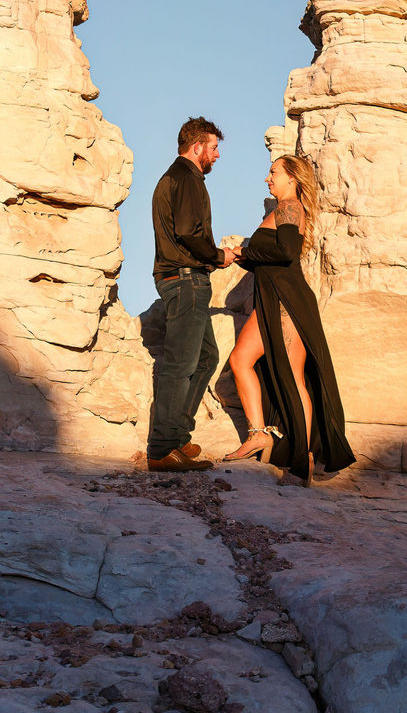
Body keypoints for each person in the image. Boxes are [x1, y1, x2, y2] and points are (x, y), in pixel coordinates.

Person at [220, 154, 355, 481]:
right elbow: (268, 258)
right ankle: (259, 434)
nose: (268, 178)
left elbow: (286, 253)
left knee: (293, 377)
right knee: (240, 360)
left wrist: (241, 252)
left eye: (273, 173)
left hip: (287, 301)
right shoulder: (280, 211)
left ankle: (302, 457)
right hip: (269, 299)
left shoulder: (291, 207)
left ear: (292, 178)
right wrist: (235, 258)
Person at [142, 117, 237, 473]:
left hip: (183, 278)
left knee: (205, 358)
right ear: (197, 147)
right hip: (185, 280)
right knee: (180, 365)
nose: (217, 155)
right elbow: (187, 230)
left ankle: (178, 436)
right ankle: (162, 449)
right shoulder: (186, 178)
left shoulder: (179, 177)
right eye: (214, 148)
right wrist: (217, 256)